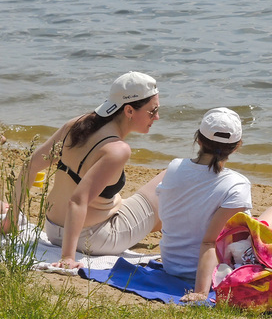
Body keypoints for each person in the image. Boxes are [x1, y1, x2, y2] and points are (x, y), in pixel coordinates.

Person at [156, 107, 272, 302]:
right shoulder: (235, 184)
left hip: (174, 265)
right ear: (237, 146)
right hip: (219, 271)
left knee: (254, 226)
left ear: (198, 139)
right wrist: (201, 292)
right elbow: (212, 241)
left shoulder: (174, 167)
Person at [1, 71, 165, 269]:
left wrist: (11, 220)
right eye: (152, 111)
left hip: (53, 229)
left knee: (150, 210)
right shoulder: (117, 150)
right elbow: (78, 200)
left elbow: (31, 164)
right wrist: (68, 257)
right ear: (129, 111)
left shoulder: (78, 124)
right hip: (94, 239)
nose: (157, 117)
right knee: (170, 174)